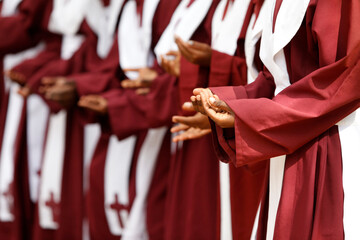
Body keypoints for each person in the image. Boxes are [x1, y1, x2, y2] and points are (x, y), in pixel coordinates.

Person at [192, 0, 360, 238]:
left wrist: (254, 115)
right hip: (290, 142)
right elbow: (276, 79)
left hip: (331, 143)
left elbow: (347, 74)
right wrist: (229, 102)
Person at [77, 0, 180, 239]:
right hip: (130, 121)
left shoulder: (173, 6)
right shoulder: (130, 6)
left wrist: (120, 105)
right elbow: (113, 69)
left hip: (166, 130)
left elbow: (186, 81)